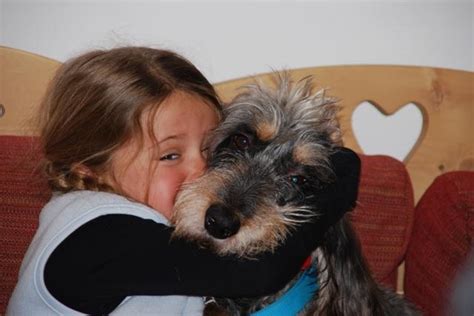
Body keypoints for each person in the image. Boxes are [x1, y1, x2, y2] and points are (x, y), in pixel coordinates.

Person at [6, 46, 360, 315]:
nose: (199, 171)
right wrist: (339, 170)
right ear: (88, 166)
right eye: (170, 155)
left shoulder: (138, 222)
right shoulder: (94, 237)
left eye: (211, 148)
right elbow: (257, 273)